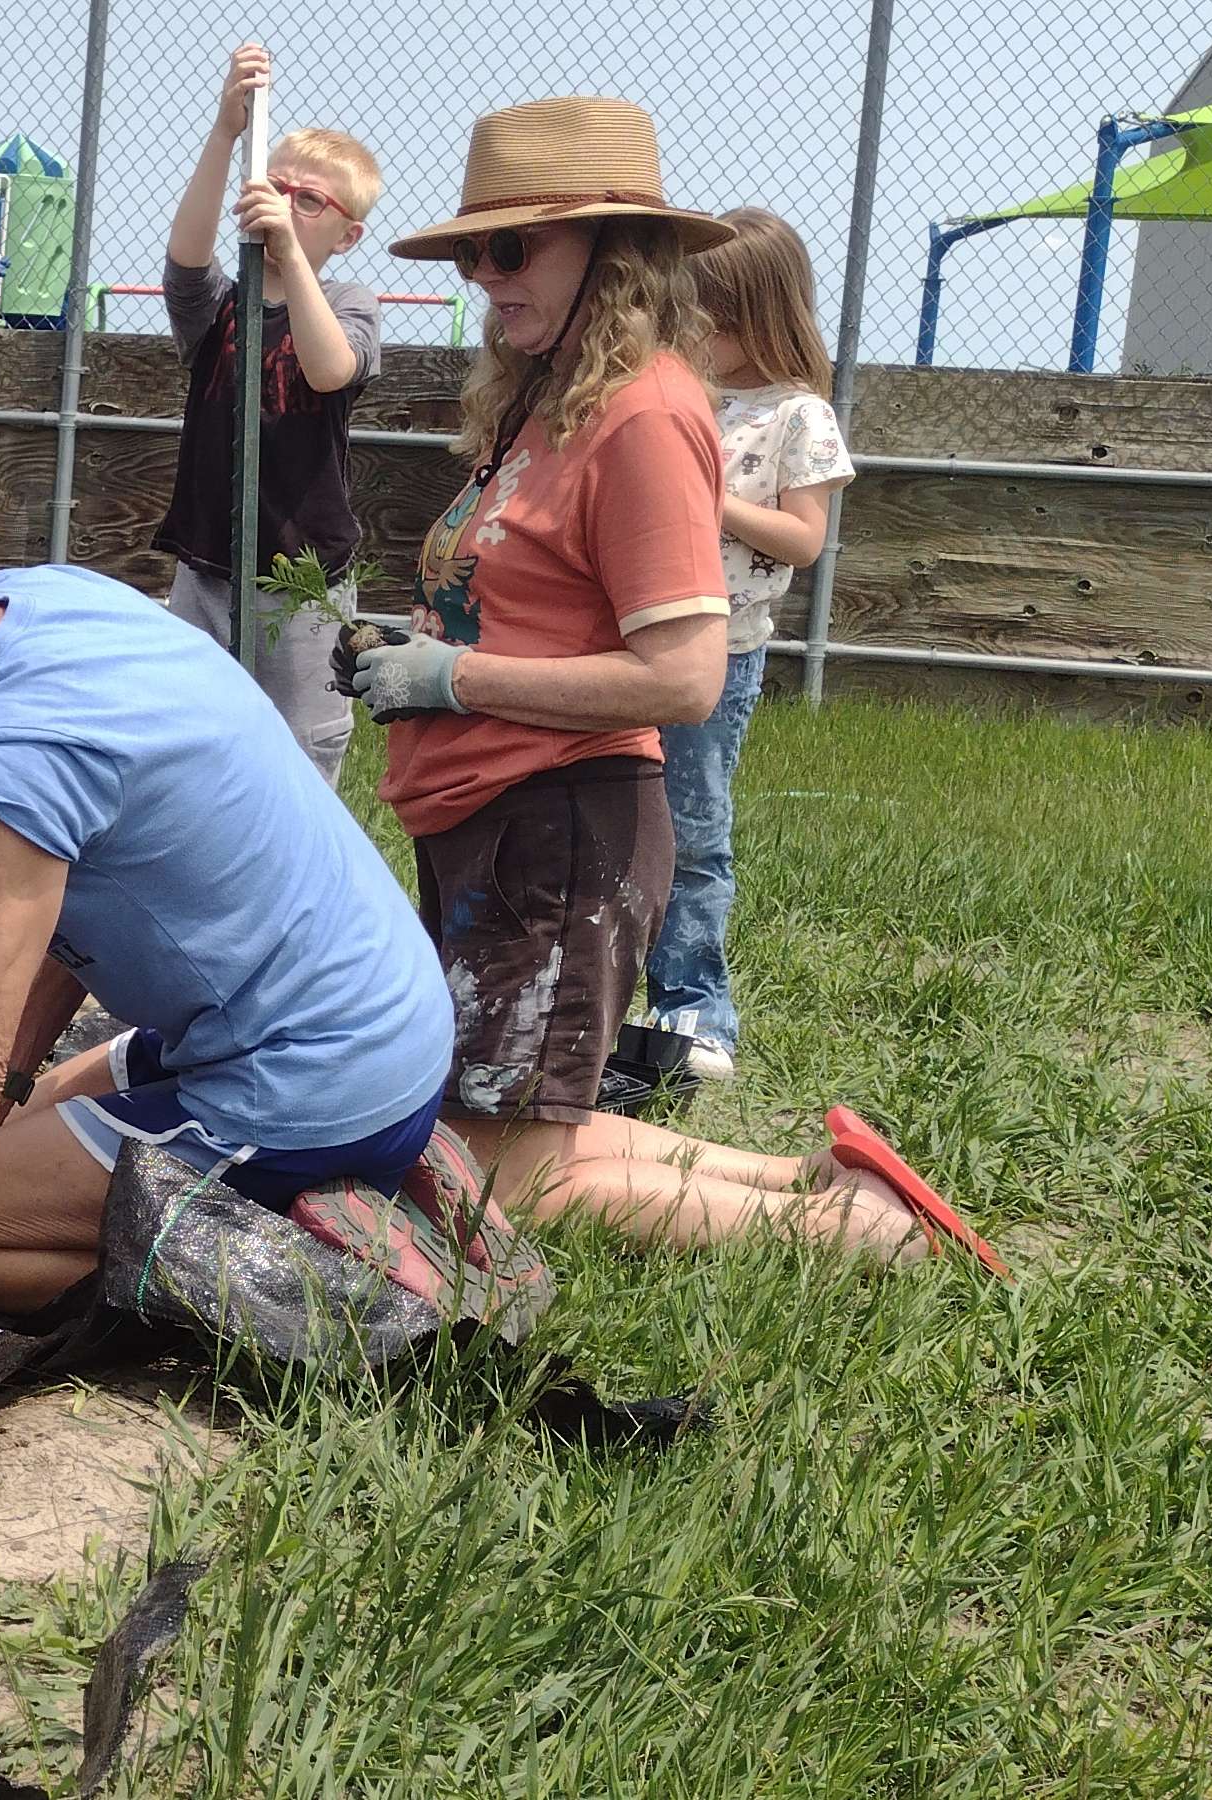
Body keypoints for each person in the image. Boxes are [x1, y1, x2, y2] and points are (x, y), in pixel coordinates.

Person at [0, 412, 476, 1481]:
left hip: (307, 1081)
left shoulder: (18, 759)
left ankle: (304, 1265)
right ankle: (290, 1182)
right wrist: (15, 1081)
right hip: (365, 1019)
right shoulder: (52, 602)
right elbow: (68, 925)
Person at [331, 99, 999, 1272]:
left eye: (512, 248)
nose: (487, 278)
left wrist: (455, 676)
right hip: (492, 824)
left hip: (557, 831)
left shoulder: (639, 415)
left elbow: (684, 677)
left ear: (613, 250)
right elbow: (538, 604)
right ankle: (808, 1179)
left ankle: (848, 1239)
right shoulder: (549, 404)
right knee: (491, 1136)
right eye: (474, 252)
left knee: (500, 1189)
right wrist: (418, 647)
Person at [646, 207, 855, 1082]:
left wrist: (708, 500)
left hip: (724, 650)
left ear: (765, 314)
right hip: (642, 638)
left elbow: (804, 541)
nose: (698, 331)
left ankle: (694, 1012)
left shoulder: (797, 416)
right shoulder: (680, 391)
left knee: (693, 831)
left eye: (715, 316)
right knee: (622, 825)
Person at [154, 42, 390, 782]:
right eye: (276, 185)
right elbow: (185, 261)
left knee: (295, 752)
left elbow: (331, 368)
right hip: (206, 567)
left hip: (301, 577)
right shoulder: (222, 307)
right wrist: (227, 133)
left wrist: (288, 253)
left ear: (346, 234)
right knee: (185, 733)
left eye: (309, 200)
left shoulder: (350, 306)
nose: (284, 204)